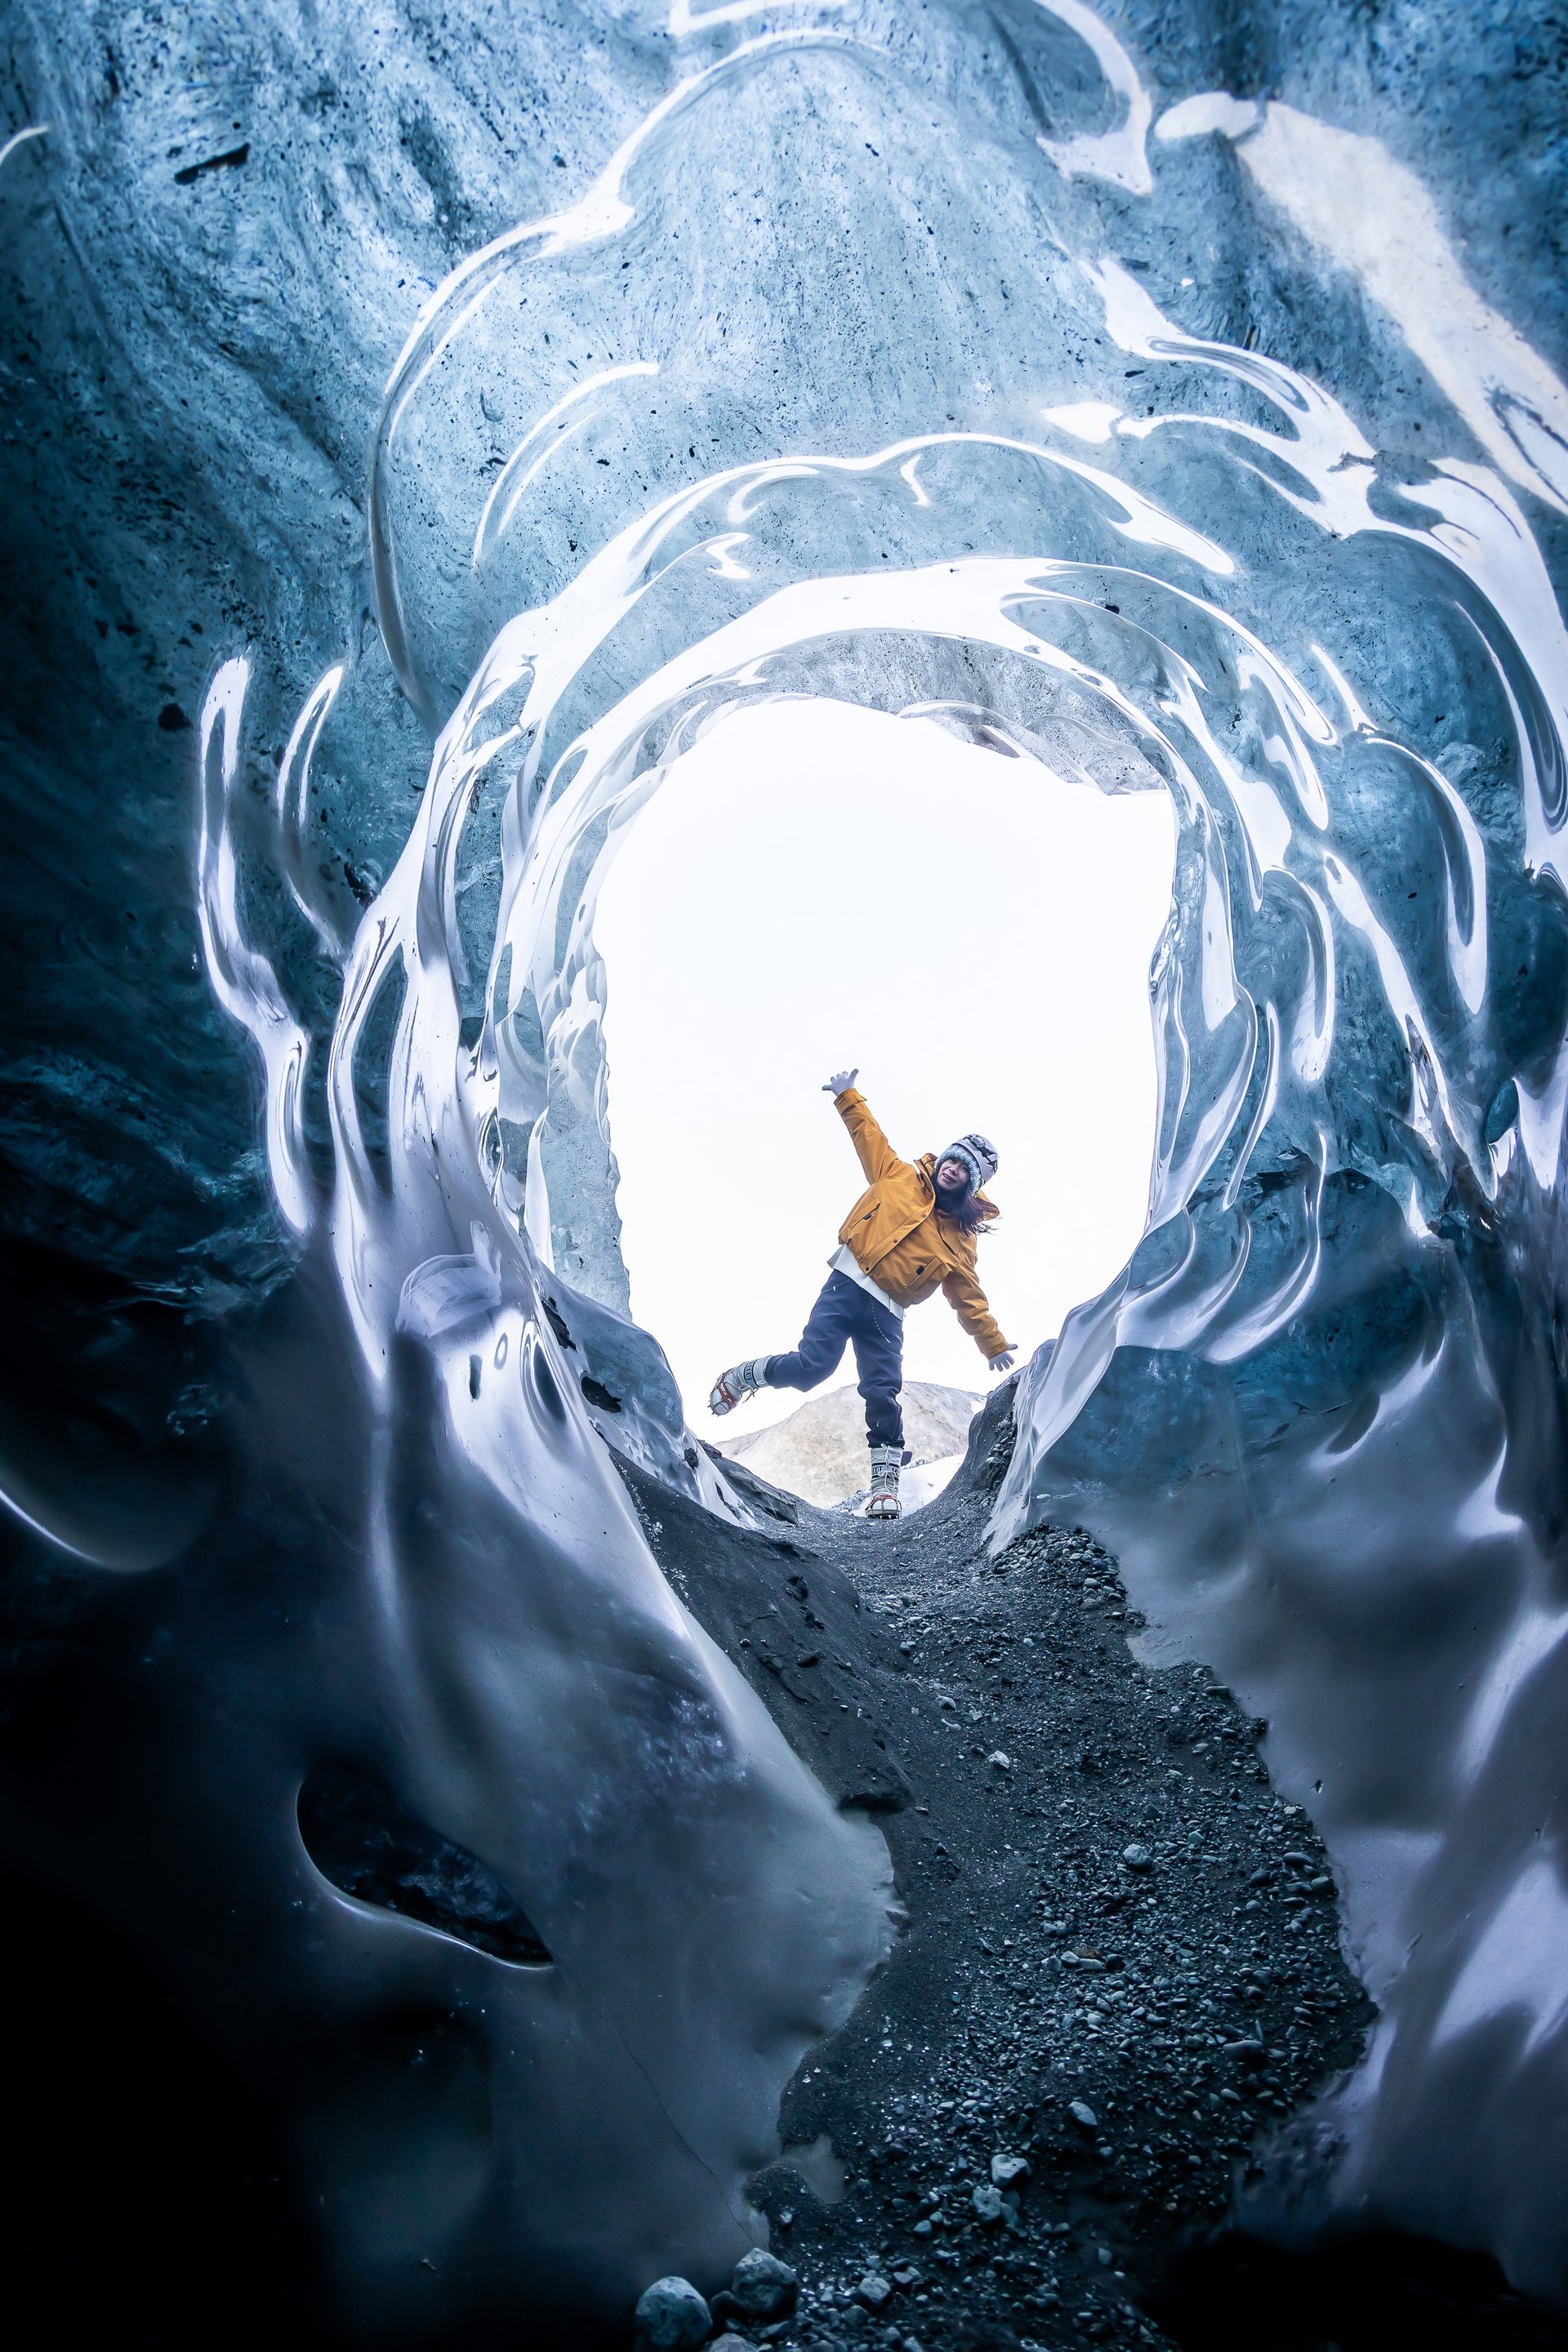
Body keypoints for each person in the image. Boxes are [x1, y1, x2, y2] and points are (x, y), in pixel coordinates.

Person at [710, 1068, 1016, 1520]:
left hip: (887, 1313)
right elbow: (868, 1136)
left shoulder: (961, 1238)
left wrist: (992, 1343)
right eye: (953, 1159)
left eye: (966, 1168)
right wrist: (847, 1096)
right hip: (845, 1286)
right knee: (811, 1368)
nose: (953, 1168)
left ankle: (884, 1488)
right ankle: (745, 1376)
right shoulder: (899, 1174)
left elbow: (969, 1296)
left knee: (882, 1391)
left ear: (973, 1183)